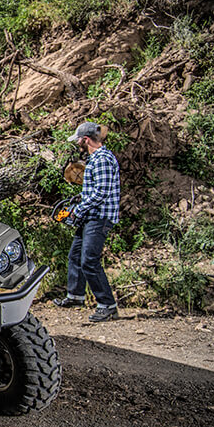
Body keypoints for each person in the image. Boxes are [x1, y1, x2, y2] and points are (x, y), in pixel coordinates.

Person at [56, 121, 121, 322]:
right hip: (90, 216)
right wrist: (80, 199)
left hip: (98, 218)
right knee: (75, 256)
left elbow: (101, 192)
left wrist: (78, 211)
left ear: (85, 139)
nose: (77, 144)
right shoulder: (95, 159)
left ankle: (107, 305)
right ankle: (75, 296)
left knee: (89, 261)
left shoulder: (101, 159)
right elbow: (95, 190)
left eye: (78, 141)